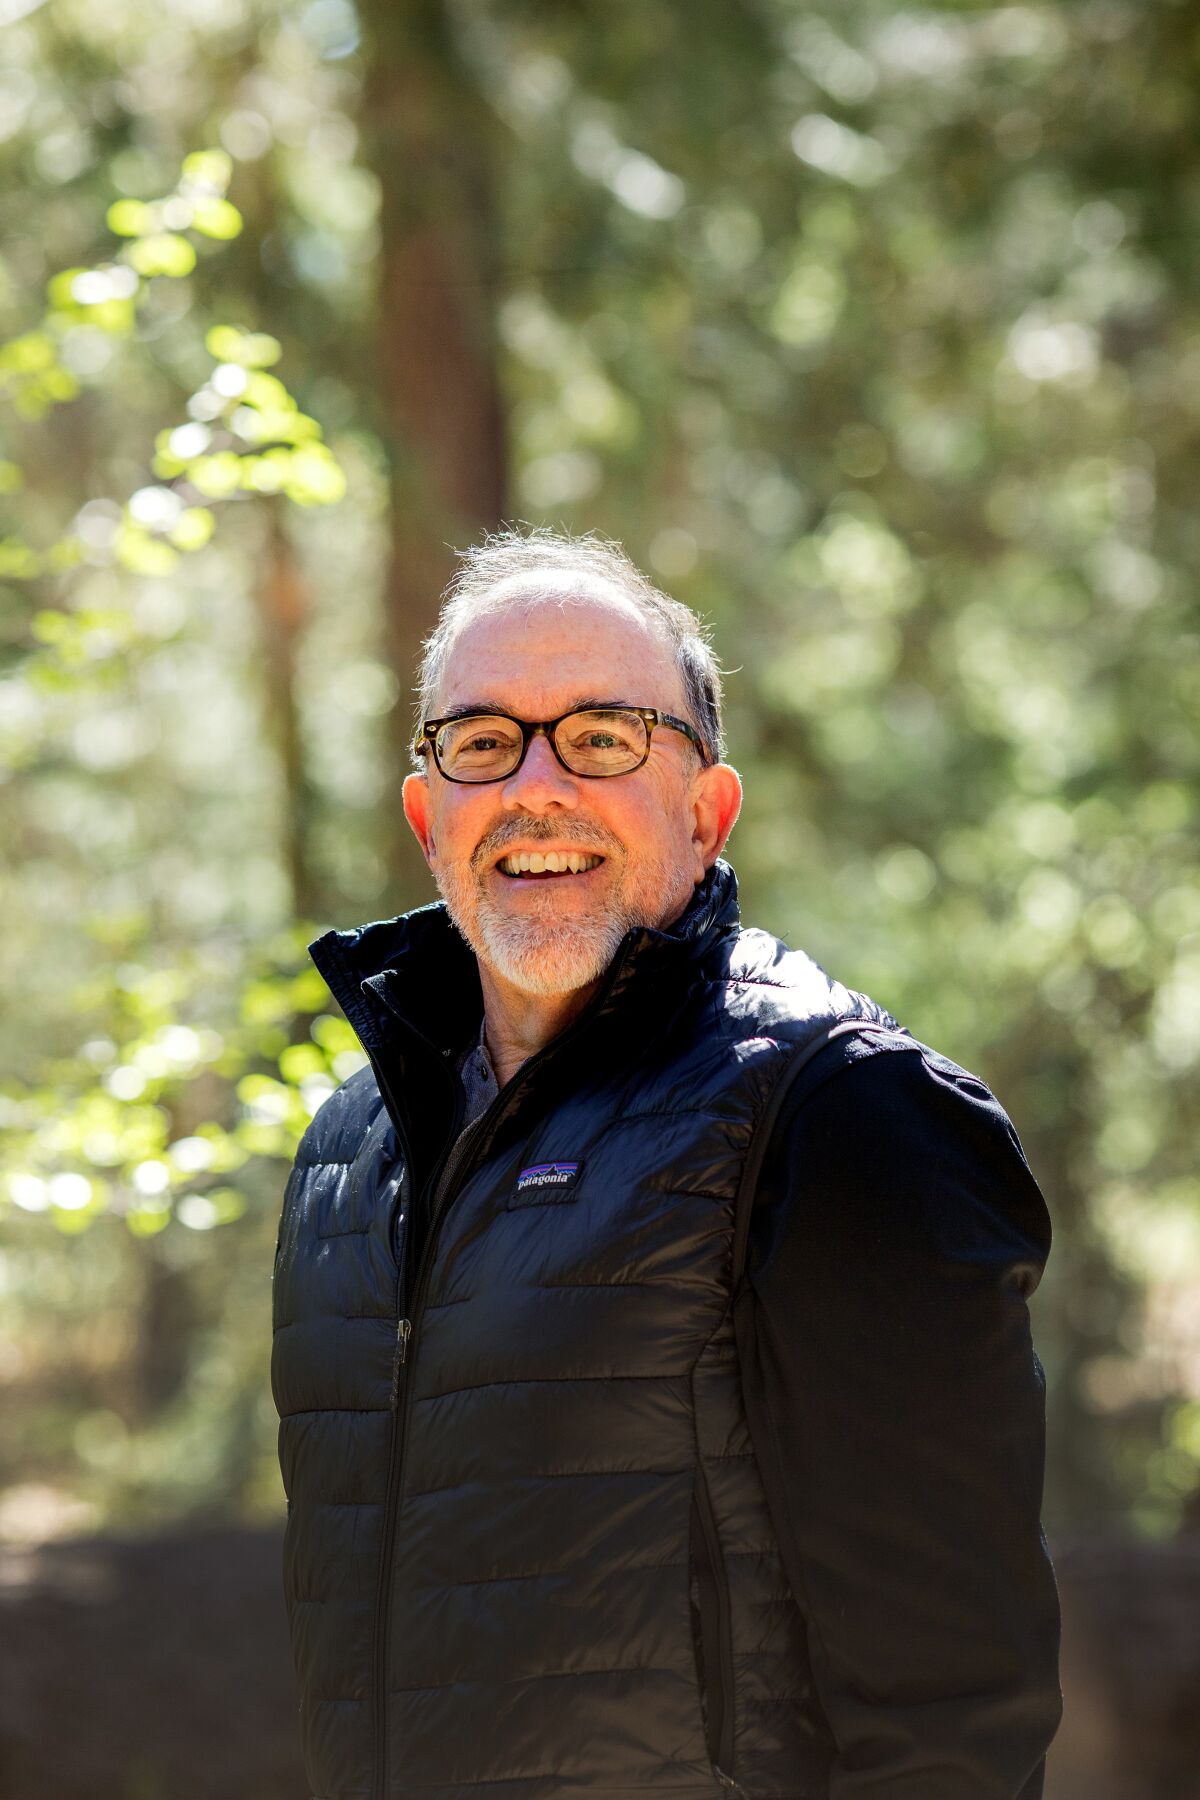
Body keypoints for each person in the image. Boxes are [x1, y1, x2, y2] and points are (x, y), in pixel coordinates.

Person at [271, 527, 1062, 1800]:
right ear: (429, 815)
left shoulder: (839, 1114)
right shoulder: (344, 1164)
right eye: (482, 741)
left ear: (707, 810)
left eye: (602, 736)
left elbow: (952, 1718)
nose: (537, 786)